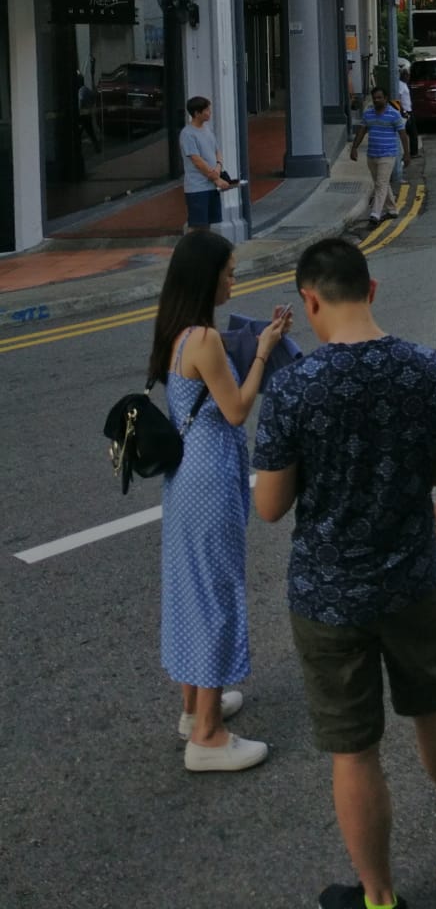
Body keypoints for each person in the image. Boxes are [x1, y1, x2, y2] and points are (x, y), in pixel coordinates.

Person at [253, 239, 436, 907]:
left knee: (353, 750)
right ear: (373, 288)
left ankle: (380, 897)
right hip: (412, 578)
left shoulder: (292, 388)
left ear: (309, 301)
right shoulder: (427, 369)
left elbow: (271, 507)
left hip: (327, 594)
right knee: (433, 704)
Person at [149, 230, 292, 772]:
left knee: (192, 589)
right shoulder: (205, 339)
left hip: (186, 478)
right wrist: (263, 353)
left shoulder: (175, 331)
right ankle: (208, 736)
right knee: (215, 593)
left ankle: (194, 708)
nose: (235, 279)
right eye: (230, 271)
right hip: (209, 478)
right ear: (207, 277)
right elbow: (236, 409)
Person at [350, 86, 404, 225]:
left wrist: (407, 154)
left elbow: (403, 135)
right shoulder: (368, 114)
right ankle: (392, 210)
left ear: (385, 98)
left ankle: (375, 213)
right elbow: (361, 131)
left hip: (388, 155)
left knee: (381, 184)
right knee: (382, 183)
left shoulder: (394, 114)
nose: (376, 100)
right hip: (372, 155)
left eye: (379, 97)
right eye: (374, 98)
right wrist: (354, 148)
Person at [180, 96, 232, 230]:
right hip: (198, 187)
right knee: (198, 225)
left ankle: (205, 249)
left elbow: (217, 150)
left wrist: (218, 167)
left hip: (211, 185)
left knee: (208, 224)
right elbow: (196, 160)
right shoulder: (188, 134)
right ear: (197, 113)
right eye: (207, 110)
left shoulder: (207, 129)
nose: (210, 112)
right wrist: (216, 178)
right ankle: (194, 250)